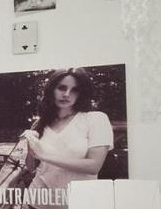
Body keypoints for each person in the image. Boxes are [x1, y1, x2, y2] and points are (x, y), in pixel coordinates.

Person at [19, 69, 113, 200]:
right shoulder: (40, 123)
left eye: (75, 90)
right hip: (34, 201)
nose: (67, 94)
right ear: (52, 89)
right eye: (62, 88)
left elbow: (94, 166)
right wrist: (31, 147)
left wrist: (44, 156)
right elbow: (31, 167)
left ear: (81, 93)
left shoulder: (95, 119)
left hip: (77, 204)